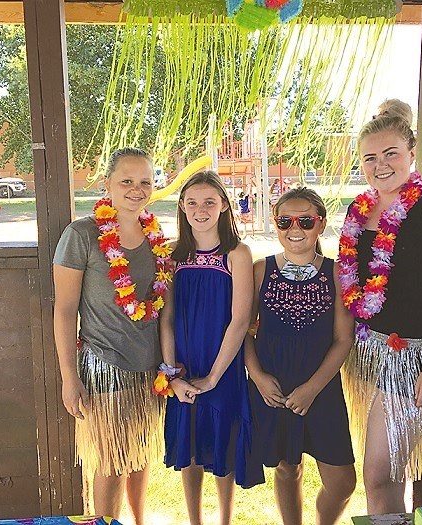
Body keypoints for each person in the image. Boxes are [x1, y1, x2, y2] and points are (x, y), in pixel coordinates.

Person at [338, 99, 422, 514]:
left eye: (391, 154)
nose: (381, 165)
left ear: (411, 153)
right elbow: (351, 281)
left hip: (413, 358)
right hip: (368, 351)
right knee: (389, 476)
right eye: (370, 158)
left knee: (380, 474)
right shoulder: (359, 213)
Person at [53, 147, 170, 525]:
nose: (137, 190)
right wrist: (69, 378)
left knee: (140, 456)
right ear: (108, 185)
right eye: (127, 181)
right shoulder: (82, 235)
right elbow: (65, 310)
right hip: (105, 364)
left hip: (148, 366)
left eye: (145, 182)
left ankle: (138, 521)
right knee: (111, 461)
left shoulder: (155, 236)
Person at [245, 188, 356, 525]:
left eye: (305, 220)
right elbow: (244, 331)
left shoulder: (337, 273)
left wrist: (312, 387)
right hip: (273, 385)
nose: (295, 228)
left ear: (320, 224)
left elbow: (343, 339)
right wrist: (258, 377)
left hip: (320, 387)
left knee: (342, 482)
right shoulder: (259, 270)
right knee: (286, 468)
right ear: (276, 224)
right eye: (285, 220)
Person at [161, 170, 254, 525]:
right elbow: (166, 319)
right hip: (184, 364)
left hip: (223, 365)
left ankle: (225, 520)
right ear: (182, 207)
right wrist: (171, 375)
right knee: (191, 448)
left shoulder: (237, 254)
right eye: (193, 202)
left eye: (210, 202)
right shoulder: (173, 256)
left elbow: (240, 320)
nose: (201, 210)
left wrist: (214, 377)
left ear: (224, 206)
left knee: (222, 448)